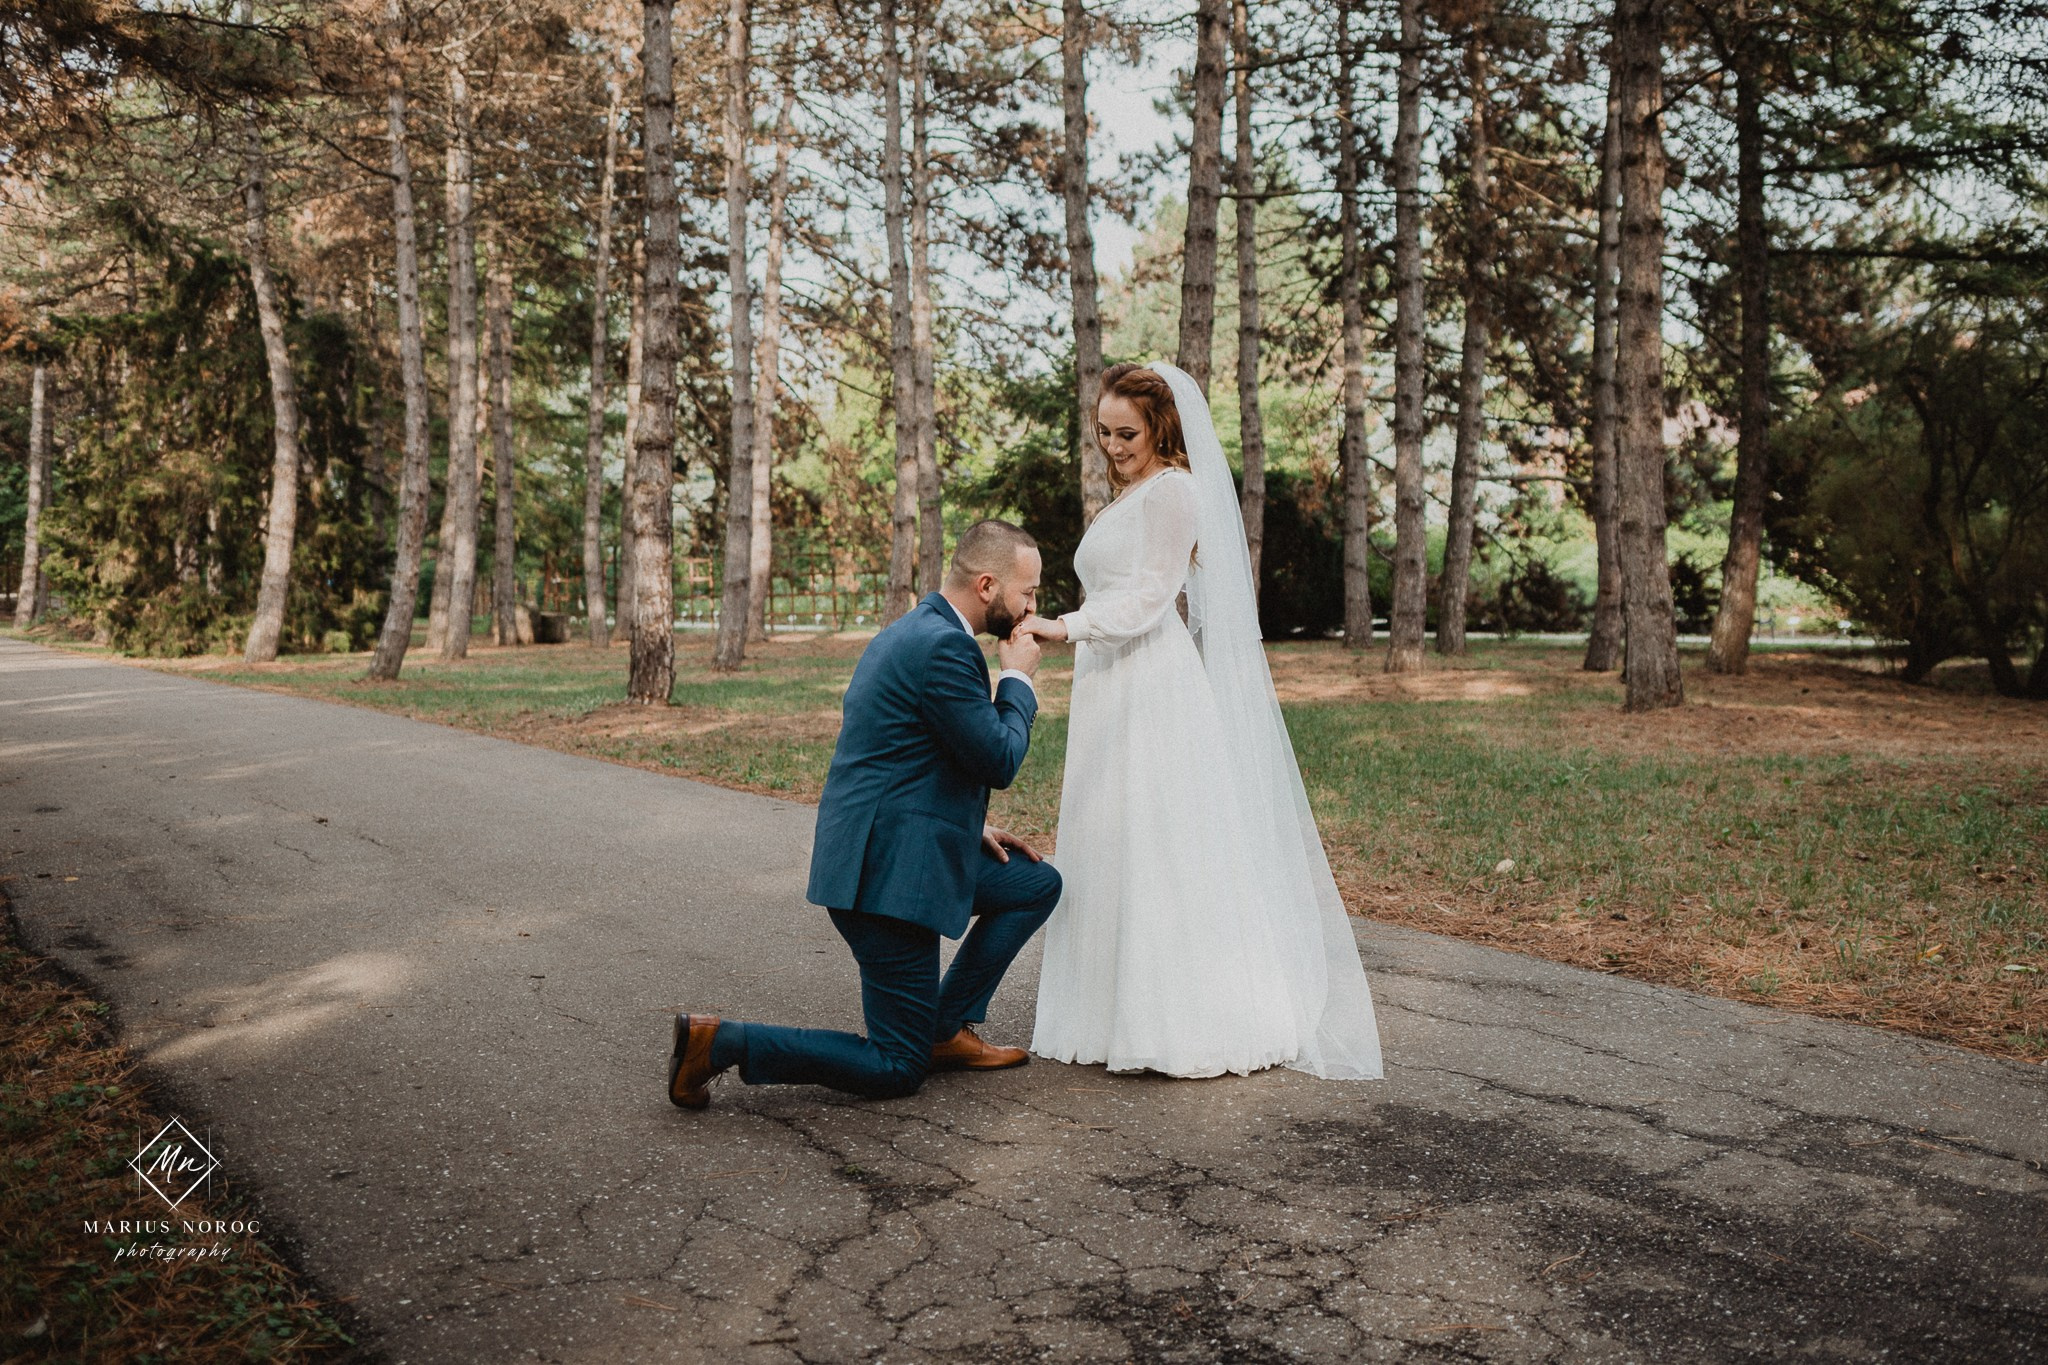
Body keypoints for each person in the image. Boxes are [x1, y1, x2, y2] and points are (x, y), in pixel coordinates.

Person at [1018, 362, 1383, 1080]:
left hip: (1151, 676)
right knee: (1110, 831)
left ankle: (1180, 1016)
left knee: (1158, 836)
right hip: (1107, 679)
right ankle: (1106, 1011)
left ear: (1161, 427)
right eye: (1104, 432)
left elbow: (1152, 597)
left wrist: (1066, 626)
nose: (1115, 446)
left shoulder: (1176, 490)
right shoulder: (1128, 494)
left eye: (1128, 433)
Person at [668, 520, 1063, 1107]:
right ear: (987, 585)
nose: (1033, 606)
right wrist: (1018, 681)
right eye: (1027, 592)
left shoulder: (917, 629)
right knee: (895, 1067)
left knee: (1034, 883)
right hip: (883, 880)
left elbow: (898, 754)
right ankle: (721, 1043)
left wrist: (966, 823)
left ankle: (945, 1029)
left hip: (899, 846)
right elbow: (999, 759)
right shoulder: (944, 646)